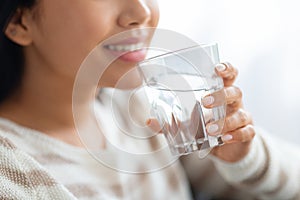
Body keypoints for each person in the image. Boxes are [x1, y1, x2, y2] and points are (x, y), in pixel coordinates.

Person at [0, 0, 299, 199]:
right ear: (19, 22)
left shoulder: (143, 112)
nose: (141, 11)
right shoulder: (10, 174)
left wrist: (246, 157)